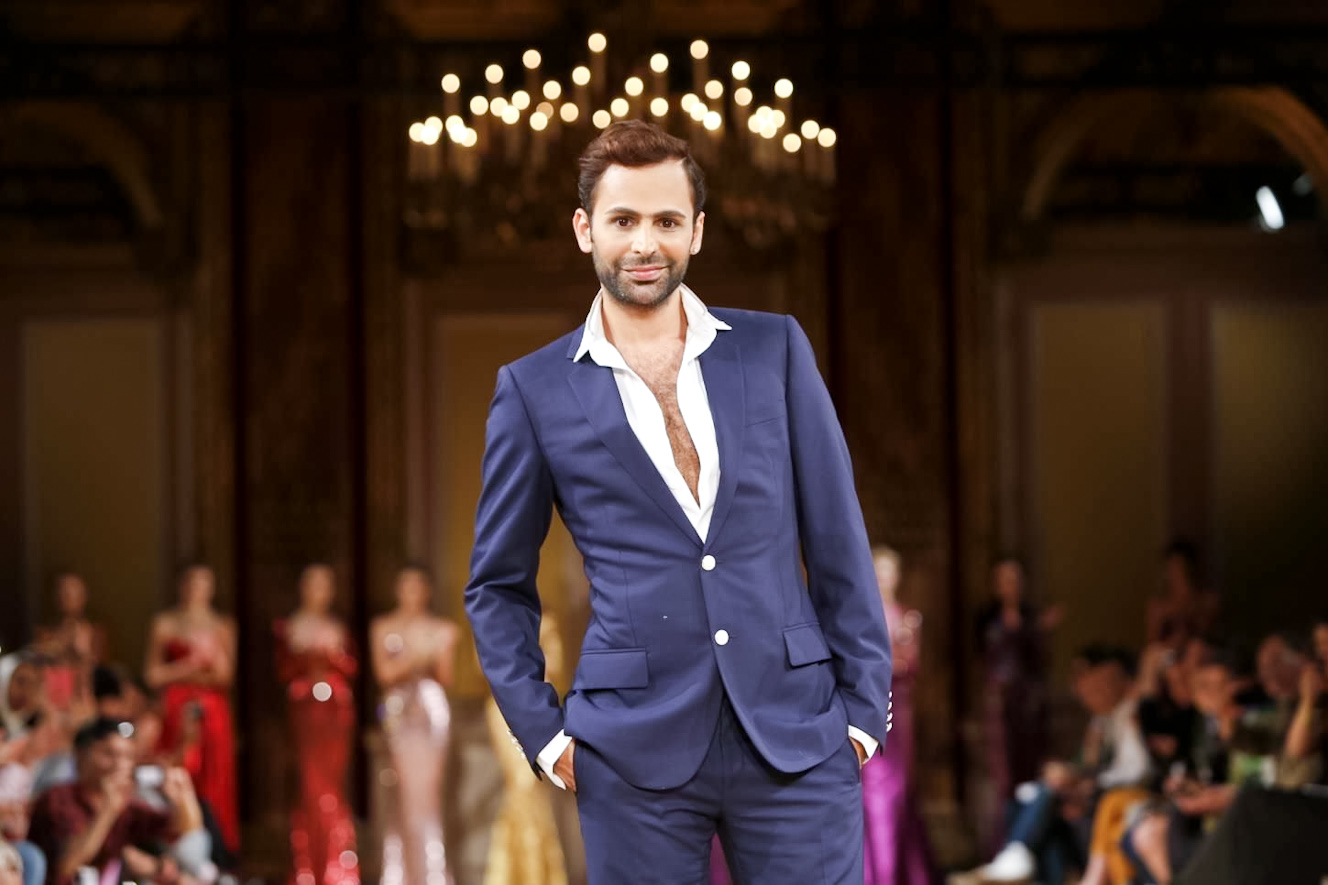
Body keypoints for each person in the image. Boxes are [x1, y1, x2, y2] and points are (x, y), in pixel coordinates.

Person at [464, 120, 892, 884]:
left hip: (798, 734)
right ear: (585, 229)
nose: (645, 243)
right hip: (629, 751)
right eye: (623, 220)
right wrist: (547, 737)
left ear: (696, 230)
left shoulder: (775, 349)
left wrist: (862, 712)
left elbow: (839, 538)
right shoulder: (532, 390)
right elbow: (496, 586)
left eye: (666, 221)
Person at [960, 646, 1150, 885]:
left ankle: (1017, 855)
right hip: (1096, 794)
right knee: (1034, 804)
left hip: (1117, 798)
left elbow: (1137, 771)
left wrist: (1085, 782)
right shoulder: (1101, 721)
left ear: (1122, 683)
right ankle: (1020, 857)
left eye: (1098, 684)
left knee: (1049, 800)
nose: (1083, 689)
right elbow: (1087, 765)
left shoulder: (1131, 716)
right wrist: (1075, 776)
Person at [27, 717, 205, 885]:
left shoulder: (126, 807)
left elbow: (185, 828)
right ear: (81, 755)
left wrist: (184, 795)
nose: (119, 764)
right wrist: (108, 810)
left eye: (127, 756)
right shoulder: (58, 798)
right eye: (109, 754)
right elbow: (68, 866)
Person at [371, 566, 459, 885]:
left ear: (427, 591)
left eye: (417, 586)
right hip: (398, 711)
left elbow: (445, 676)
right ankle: (400, 875)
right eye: (405, 586)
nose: (411, 593)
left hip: (431, 711)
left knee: (427, 796)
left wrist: (421, 657)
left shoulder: (443, 628)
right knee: (400, 795)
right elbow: (384, 674)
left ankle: (431, 875)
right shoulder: (382, 627)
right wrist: (419, 656)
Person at [144, 565, 239, 853]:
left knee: (214, 775)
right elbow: (152, 675)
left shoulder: (222, 625)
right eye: (192, 583)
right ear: (181, 585)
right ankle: (177, 840)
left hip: (211, 710)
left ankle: (217, 848)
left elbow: (225, 677)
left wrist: (210, 658)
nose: (197, 590)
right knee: (180, 768)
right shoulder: (165, 623)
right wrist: (188, 666)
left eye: (204, 583)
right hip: (176, 706)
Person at [275, 564, 360, 885]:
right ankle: (307, 869)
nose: (319, 591)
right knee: (310, 786)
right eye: (313, 584)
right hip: (306, 709)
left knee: (333, 786)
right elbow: (284, 670)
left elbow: (351, 667)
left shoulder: (338, 627)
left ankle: (338, 868)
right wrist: (309, 659)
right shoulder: (289, 626)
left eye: (325, 585)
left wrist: (331, 658)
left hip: (336, 710)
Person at [862, 547, 937, 885]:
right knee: (869, 789)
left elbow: (910, 664)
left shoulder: (908, 617)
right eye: (879, 571)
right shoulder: (862, 614)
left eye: (889, 572)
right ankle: (874, 872)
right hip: (868, 707)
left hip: (898, 711)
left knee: (898, 789)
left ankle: (896, 871)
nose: (884, 578)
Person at [484, 616, 568, 885]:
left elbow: (555, 663)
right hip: (506, 706)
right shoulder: (499, 609)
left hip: (536, 704)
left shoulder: (546, 622)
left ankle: (531, 875)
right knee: (521, 788)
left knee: (533, 792)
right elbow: (486, 659)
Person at [976, 557, 1062, 812]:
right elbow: (980, 659)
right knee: (1002, 767)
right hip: (999, 703)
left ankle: (1027, 823)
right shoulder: (986, 618)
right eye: (1005, 580)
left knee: (1030, 763)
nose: (1010, 585)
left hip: (1028, 702)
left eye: (1015, 579)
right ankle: (1004, 828)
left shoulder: (1032, 616)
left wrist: (1040, 632)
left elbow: (1041, 661)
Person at [32, 574, 105, 714]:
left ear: (84, 597)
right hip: (50, 697)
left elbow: (95, 669)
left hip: (81, 696)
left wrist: (79, 650)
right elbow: (39, 666)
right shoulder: (46, 633)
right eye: (64, 593)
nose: (68, 599)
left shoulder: (94, 632)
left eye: (74, 593)